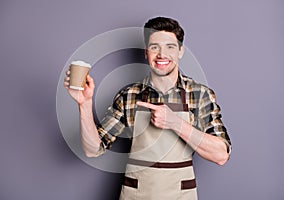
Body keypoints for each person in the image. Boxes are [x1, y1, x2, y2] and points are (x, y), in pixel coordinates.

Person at [64, 16, 231, 200]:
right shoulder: (129, 96)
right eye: (154, 47)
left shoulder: (199, 95)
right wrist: (84, 104)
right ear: (146, 53)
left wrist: (175, 123)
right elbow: (93, 149)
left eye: (170, 47)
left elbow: (221, 155)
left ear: (180, 51)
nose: (161, 54)